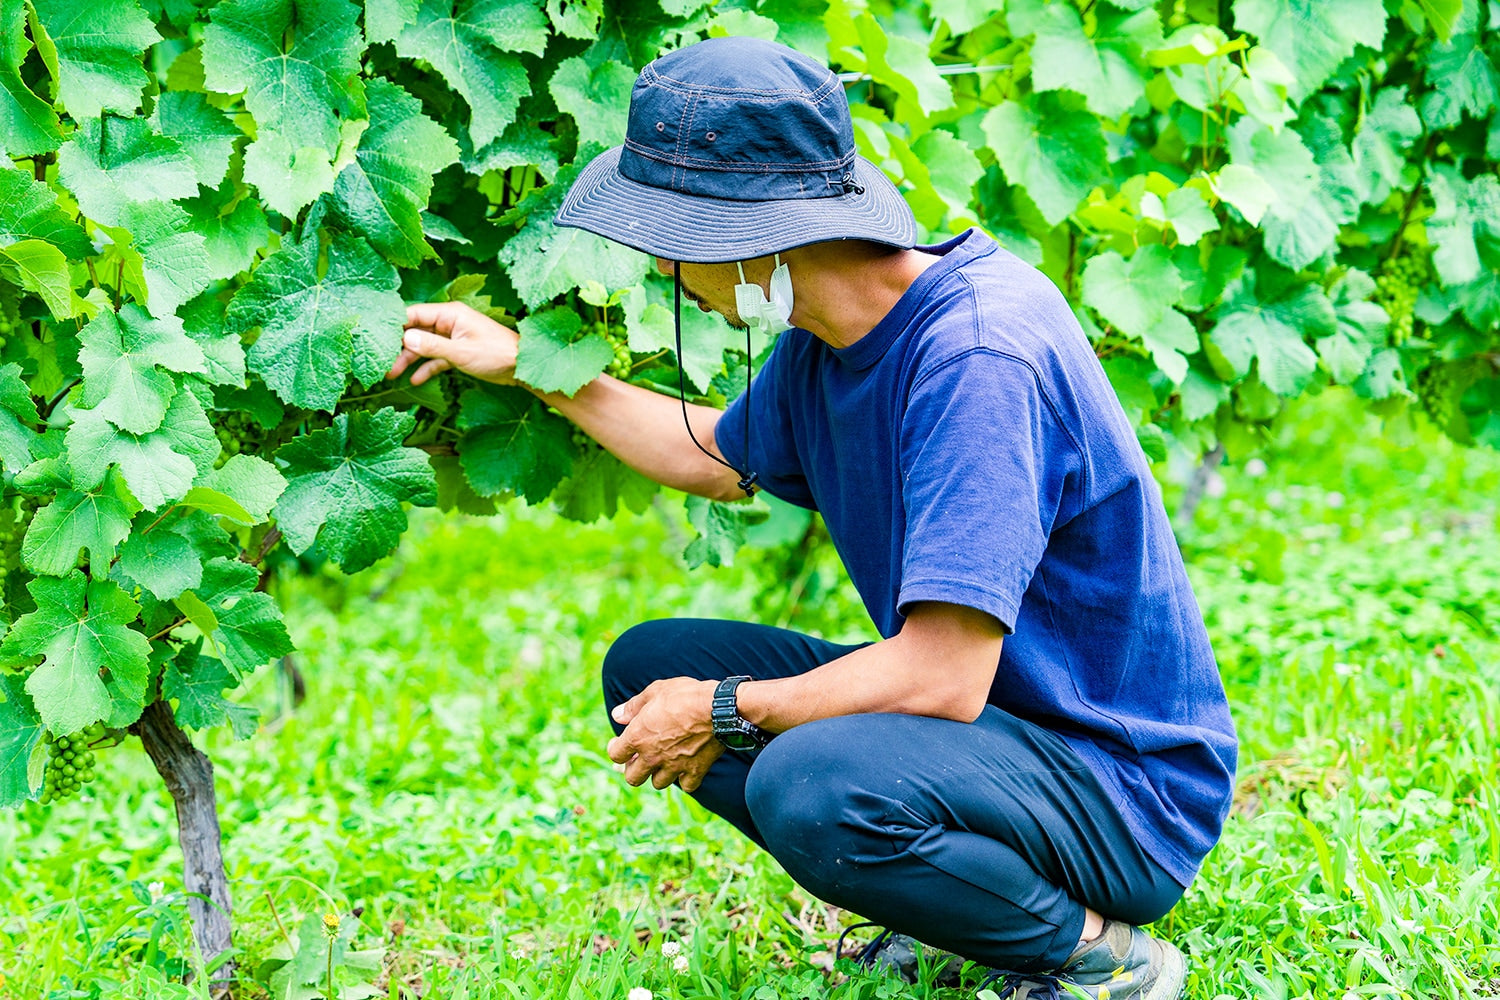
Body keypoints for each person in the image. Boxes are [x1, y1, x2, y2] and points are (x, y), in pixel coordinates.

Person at [388, 35, 1237, 1000]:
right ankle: (962, 901)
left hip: (1119, 790)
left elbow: (945, 677)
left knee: (807, 781)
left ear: (753, 236)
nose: (665, 264)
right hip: (1006, 735)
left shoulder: (976, 359)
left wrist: (719, 710)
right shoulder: (835, 330)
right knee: (649, 666)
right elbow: (712, 458)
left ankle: (1099, 956)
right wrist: (527, 370)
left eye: (674, 237)